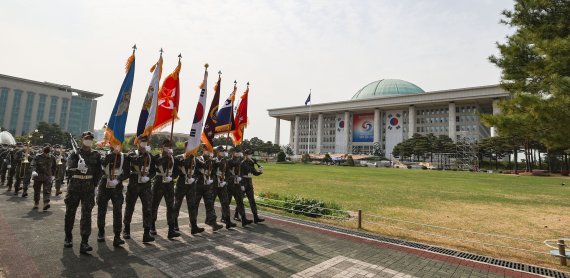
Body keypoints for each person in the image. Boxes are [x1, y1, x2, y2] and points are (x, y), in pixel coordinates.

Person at [64, 131, 102, 254]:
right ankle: (68, 237)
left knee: (86, 215)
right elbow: (68, 170)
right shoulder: (74, 154)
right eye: (86, 138)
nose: (88, 140)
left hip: (88, 188)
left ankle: (84, 242)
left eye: (90, 139)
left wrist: (95, 186)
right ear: (82, 139)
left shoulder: (96, 155)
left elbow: (98, 172)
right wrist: (77, 168)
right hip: (75, 187)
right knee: (70, 213)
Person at [123, 135, 155, 243]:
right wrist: (145, 153)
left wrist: (149, 177)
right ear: (137, 142)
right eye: (142, 141)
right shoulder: (132, 154)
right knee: (130, 207)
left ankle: (147, 233)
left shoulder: (150, 156)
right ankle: (126, 229)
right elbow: (137, 161)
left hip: (145, 185)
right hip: (134, 184)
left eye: (146, 141)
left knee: (147, 208)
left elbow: (153, 170)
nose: (144, 143)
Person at [96, 144, 129, 247]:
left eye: (119, 144)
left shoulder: (124, 157)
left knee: (118, 211)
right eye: (115, 144)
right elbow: (102, 165)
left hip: (117, 186)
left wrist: (118, 180)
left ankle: (117, 236)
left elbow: (127, 172)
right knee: (101, 210)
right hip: (105, 184)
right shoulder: (104, 156)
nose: (117, 146)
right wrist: (112, 155)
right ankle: (101, 232)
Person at [150, 140, 180, 239]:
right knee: (155, 205)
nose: (168, 147)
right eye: (166, 145)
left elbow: (176, 171)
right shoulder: (157, 157)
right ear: (162, 147)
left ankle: (171, 229)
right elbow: (157, 163)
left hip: (169, 183)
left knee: (171, 206)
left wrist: (172, 177)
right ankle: (152, 226)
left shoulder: (173, 158)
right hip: (159, 181)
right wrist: (166, 157)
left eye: (170, 146)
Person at [173, 143, 205, 235]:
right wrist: (189, 158)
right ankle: (175, 224)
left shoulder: (195, 158)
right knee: (177, 205)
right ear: (185, 147)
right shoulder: (179, 157)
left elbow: (202, 166)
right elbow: (181, 164)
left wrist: (209, 158)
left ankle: (194, 226)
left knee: (192, 206)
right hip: (181, 184)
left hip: (191, 185)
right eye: (190, 147)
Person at [194, 145, 223, 231]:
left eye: (210, 149)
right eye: (207, 149)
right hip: (198, 185)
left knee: (210, 205)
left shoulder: (212, 160)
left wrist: (221, 159)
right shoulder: (198, 158)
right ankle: (193, 223)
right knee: (195, 205)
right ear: (203, 149)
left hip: (208, 186)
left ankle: (213, 223)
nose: (209, 151)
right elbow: (199, 167)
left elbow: (218, 166)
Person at [226, 148, 252, 226]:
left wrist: (241, 182)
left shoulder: (240, 161)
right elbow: (229, 170)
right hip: (230, 184)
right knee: (227, 202)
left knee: (240, 201)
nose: (238, 154)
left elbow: (240, 171)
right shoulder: (229, 161)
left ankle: (244, 219)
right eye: (236, 152)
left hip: (237, 184)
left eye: (239, 152)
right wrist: (240, 158)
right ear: (232, 153)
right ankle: (225, 218)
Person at [212, 146, 236, 229]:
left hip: (222, 185)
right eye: (221, 151)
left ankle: (228, 221)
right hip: (214, 186)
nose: (222, 152)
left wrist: (226, 181)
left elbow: (228, 173)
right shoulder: (212, 160)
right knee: (211, 204)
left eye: (223, 151)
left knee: (225, 203)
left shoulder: (225, 161)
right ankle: (213, 223)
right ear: (217, 152)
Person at [240, 149, 265, 223]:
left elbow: (254, 173)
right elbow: (240, 174)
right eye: (249, 154)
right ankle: (236, 214)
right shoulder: (242, 163)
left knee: (252, 200)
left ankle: (255, 217)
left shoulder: (251, 163)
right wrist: (241, 185)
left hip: (249, 183)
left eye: (251, 154)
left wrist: (260, 172)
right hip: (243, 182)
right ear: (245, 155)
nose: (250, 155)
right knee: (240, 201)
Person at [30, 143, 55, 209]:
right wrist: (33, 171)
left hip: (47, 176)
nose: (47, 154)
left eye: (48, 153)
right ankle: (36, 203)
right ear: (43, 151)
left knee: (47, 190)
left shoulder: (52, 157)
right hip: (38, 176)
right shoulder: (37, 157)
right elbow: (33, 164)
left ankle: (46, 203)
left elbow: (54, 167)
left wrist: (53, 175)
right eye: (45, 153)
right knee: (37, 190)